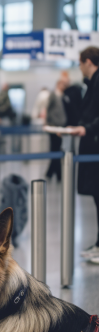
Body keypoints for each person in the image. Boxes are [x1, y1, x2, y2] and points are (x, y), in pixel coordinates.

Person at [68, 47, 99, 261]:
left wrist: (88, 128)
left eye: (80, 63)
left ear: (87, 61)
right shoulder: (92, 83)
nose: (79, 67)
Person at [45, 74, 68, 182]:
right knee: (55, 149)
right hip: (54, 127)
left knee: (57, 149)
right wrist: (48, 123)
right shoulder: (53, 95)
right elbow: (48, 109)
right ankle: (54, 174)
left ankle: (54, 173)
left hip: (61, 127)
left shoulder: (63, 96)